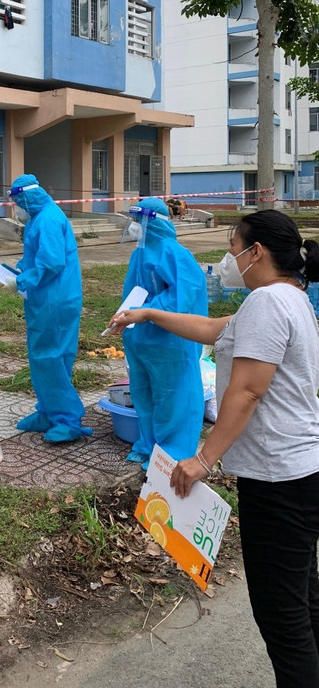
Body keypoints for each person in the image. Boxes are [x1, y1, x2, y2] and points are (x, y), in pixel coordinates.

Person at [110, 210, 319, 688]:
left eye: (232, 246)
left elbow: (246, 391)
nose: (227, 257)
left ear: (256, 252)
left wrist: (204, 459)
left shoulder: (267, 303)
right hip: (301, 471)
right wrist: (147, 313)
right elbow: (211, 330)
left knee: (283, 618)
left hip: (279, 480)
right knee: (304, 595)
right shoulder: (289, 299)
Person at [118, 197, 207, 469]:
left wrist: (147, 312)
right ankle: (148, 445)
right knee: (144, 394)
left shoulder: (175, 253)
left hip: (170, 339)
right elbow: (133, 294)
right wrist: (123, 318)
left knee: (173, 395)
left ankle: (172, 453)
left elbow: (183, 295)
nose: (134, 227)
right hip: (142, 339)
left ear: (152, 223)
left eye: (138, 221)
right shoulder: (140, 253)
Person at [6, 174, 92, 443]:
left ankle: (67, 419)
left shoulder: (49, 220)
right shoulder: (38, 219)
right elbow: (38, 256)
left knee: (52, 358)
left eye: (17, 201)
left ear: (27, 197)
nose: (16, 207)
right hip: (45, 298)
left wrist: (23, 279)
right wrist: (24, 268)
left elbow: (52, 263)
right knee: (42, 358)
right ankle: (48, 411)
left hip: (56, 299)